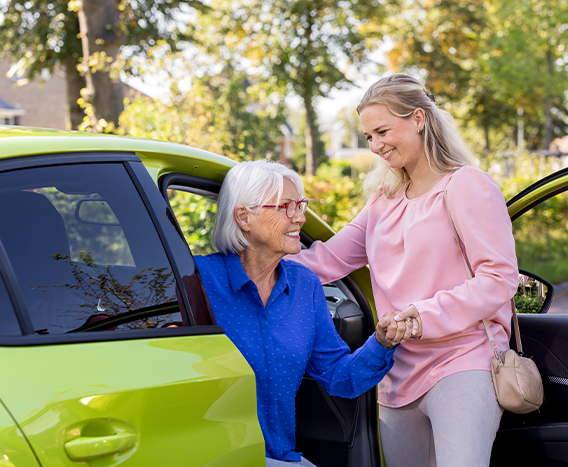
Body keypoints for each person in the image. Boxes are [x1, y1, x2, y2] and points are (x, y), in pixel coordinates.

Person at [289, 74, 519, 467]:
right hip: (398, 370)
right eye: (368, 137)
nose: (377, 146)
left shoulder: (465, 186)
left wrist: (422, 316)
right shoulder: (384, 200)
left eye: (382, 131)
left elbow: (499, 277)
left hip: (462, 360)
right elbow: (326, 259)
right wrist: (244, 267)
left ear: (417, 118)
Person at [193, 160, 412, 466]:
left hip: (280, 458)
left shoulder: (304, 285)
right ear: (244, 217)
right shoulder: (198, 281)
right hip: (214, 456)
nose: (300, 216)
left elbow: (340, 377)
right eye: (285, 206)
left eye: (300, 204)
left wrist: (381, 343)